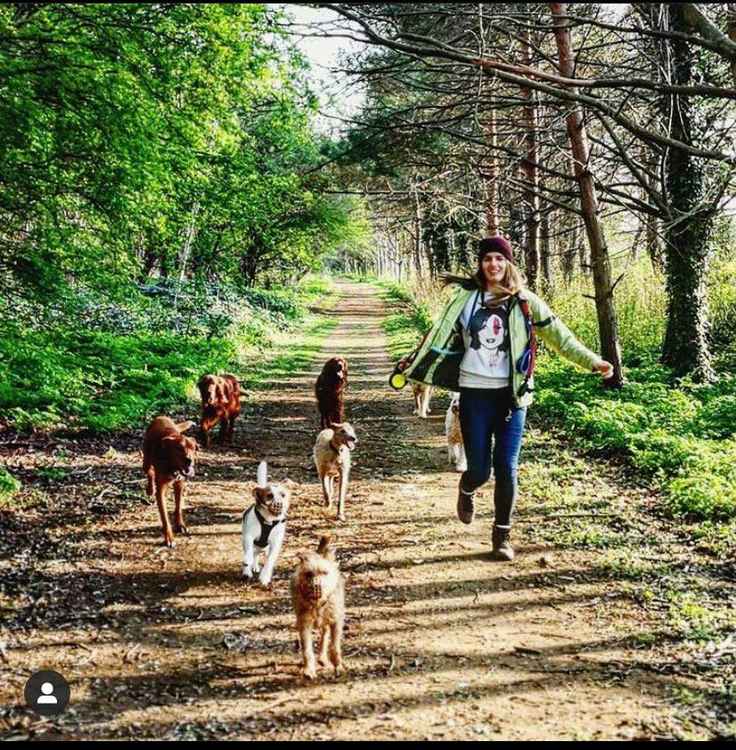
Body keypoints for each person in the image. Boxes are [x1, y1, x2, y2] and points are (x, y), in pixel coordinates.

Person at [398, 236, 613, 562]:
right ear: (481, 264)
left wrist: (593, 361)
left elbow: (561, 337)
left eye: (500, 259)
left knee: (507, 467)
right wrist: (412, 362)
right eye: (488, 259)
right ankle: (468, 487)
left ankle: (501, 536)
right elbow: (437, 335)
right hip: (473, 394)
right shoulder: (465, 300)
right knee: (480, 469)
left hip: (512, 397)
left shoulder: (525, 301)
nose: (494, 265)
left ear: (508, 263)